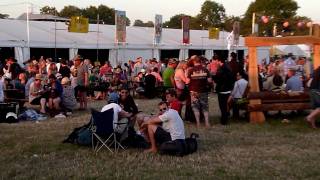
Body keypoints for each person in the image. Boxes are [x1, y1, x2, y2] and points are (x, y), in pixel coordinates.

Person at [187, 55, 212, 128]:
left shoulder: (190, 70)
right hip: (203, 91)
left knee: (195, 107)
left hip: (193, 91)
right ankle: (207, 123)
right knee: (205, 107)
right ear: (200, 61)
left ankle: (198, 123)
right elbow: (209, 81)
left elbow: (187, 82)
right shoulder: (205, 69)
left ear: (194, 61)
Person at [212, 58, 234, 125]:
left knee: (222, 106)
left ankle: (224, 121)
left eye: (216, 61)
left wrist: (213, 76)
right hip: (228, 89)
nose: (215, 62)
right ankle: (225, 118)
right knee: (226, 105)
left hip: (222, 90)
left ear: (219, 61)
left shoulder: (221, 70)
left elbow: (217, 80)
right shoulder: (228, 68)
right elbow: (232, 79)